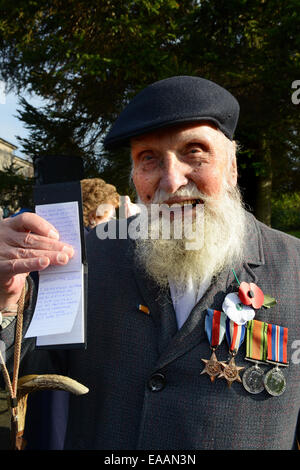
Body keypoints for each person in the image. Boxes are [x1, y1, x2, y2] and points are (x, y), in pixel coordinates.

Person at [0, 76, 300, 450]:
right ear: (134, 175)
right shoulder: (86, 257)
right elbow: (23, 374)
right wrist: (5, 300)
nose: (171, 181)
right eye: (149, 159)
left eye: (194, 151)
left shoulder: (295, 268)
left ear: (233, 167)